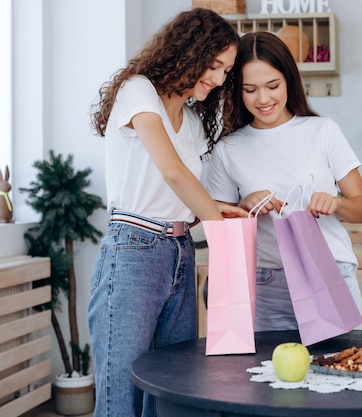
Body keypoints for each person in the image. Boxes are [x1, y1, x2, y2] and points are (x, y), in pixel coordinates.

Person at [88, 8, 246, 417]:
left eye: (226, 72)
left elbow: (183, 196)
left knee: (170, 386)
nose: (217, 78)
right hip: (134, 250)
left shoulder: (192, 120)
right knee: (122, 390)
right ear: (188, 52)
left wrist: (219, 211)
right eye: (213, 65)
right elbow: (172, 172)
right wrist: (218, 226)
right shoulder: (138, 91)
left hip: (181, 248)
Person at [204, 31, 362, 332]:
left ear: (289, 81)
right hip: (265, 283)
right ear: (237, 92)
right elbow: (219, 223)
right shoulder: (228, 149)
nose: (264, 99)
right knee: (268, 376)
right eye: (250, 89)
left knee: (338, 373)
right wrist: (245, 206)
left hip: (329, 272)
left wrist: (336, 204)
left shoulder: (323, 132)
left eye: (273, 86)